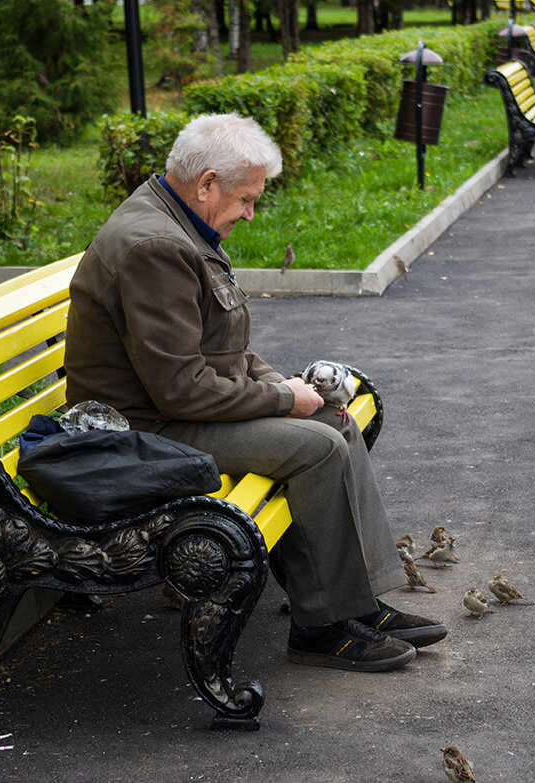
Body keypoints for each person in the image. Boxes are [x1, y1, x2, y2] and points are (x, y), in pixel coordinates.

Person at [63, 113, 445, 673]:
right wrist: (285, 400)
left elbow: (220, 349)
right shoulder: (156, 246)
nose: (249, 212)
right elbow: (180, 390)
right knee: (316, 446)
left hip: (167, 413)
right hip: (140, 435)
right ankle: (322, 626)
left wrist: (275, 384)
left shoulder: (181, 223)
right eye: (245, 198)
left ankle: (355, 603)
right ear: (208, 182)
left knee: (335, 421)